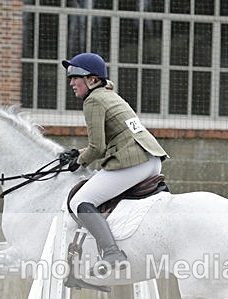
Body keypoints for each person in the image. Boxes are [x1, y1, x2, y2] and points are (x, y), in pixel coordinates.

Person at [60, 52, 168, 272]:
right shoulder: (110, 96)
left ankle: (112, 253)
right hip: (150, 159)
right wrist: (79, 152)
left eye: (75, 77)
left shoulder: (93, 101)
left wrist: (79, 161)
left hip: (134, 162)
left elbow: (97, 148)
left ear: (92, 80)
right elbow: (116, 139)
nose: (71, 83)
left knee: (80, 201)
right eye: (70, 77)